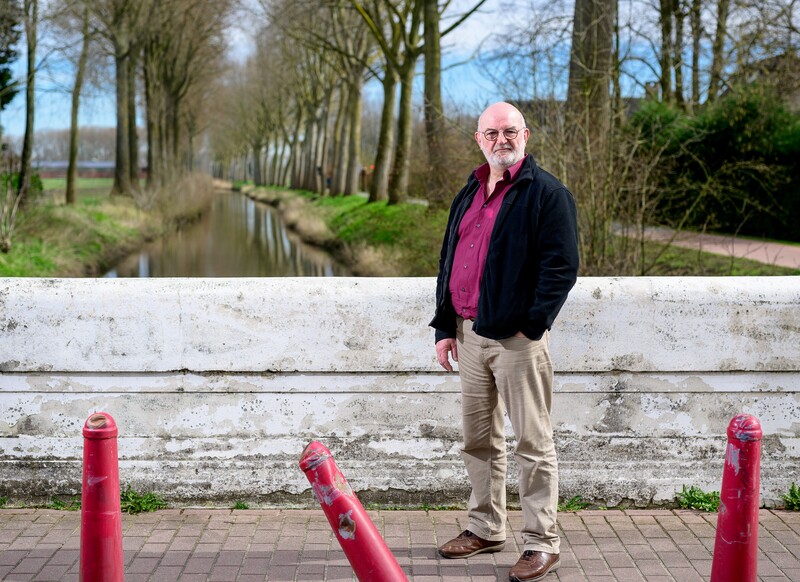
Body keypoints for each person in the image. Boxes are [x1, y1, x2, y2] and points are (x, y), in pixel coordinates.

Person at [429, 102, 579, 582]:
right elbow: (450, 262)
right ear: (479, 139)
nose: (501, 140)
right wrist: (445, 327)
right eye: (491, 133)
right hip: (469, 335)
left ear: (525, 135)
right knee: (478, 441)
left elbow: (561, 268)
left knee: (533, 443)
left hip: (517, 341)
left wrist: (531, 326)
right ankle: (486, 528)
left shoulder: (547, 194)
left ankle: (541, 543)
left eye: (509, 131)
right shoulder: (469, 192)